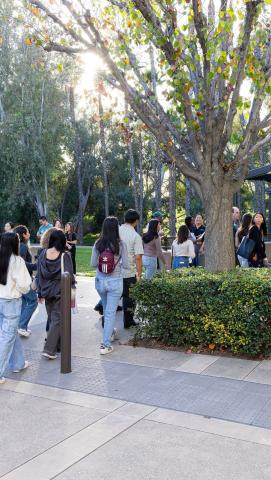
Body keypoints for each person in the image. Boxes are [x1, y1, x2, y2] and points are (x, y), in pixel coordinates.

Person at [91, 216, 129, 354]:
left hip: (100, 282)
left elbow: (93, 264)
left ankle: (110, 332)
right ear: (116, 228)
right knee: (110, 312)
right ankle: (105, 345)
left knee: (108, 309)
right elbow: (126, 265)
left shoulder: (98, 243)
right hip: (114, 282)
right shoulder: (121, 244)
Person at [37, 229, 75, 359]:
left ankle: (57, 346)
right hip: (60, 292)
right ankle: (49, 350)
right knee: (57, 320)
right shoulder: (65, 256)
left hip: (46, 292)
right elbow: (69, 275)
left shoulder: (42, 253)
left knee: (53, 320)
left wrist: (40, 293)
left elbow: (39, 275)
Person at [0, 232, 32, 384]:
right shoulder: (17, 261)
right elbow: (25, 286)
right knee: (7, 338)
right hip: (11, 303)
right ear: (15, 244)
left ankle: (18, 363)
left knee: (10, 333)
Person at [119, 209, 144, 329]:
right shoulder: (135, 236)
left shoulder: (116, 230)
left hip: (115, 270)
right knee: (129, 297)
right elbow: (138, 257)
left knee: (117, 295)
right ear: (136, 221)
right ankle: (128, 321)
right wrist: (139, 274)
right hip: (129, 271)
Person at [14, 225, 38, 337]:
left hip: (19, 279)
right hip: (24, 279)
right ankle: (22, 326)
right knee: (33, 301)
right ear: (24, 234)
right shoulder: (22, 246)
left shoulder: (17, 245)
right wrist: (35, 266)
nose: (29, 234)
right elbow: (22, 263)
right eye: (27, 232)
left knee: (24, 302)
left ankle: (20, 326)